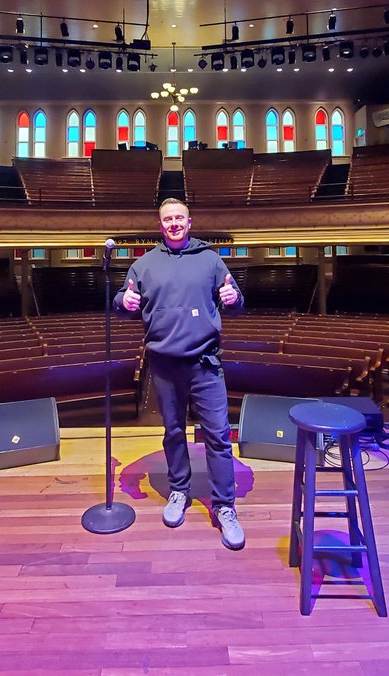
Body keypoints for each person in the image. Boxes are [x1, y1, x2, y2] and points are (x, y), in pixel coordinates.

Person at [114, 197, 246, 550]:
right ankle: (179, 491)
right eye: (167, 219)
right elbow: (124, 301)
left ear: (190, 223)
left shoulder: (211, 260)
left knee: (218, 436)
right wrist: (122, 303)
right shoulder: (145, 265)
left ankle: (224, 507)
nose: (173, 223)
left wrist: (233, 299)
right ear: (160, 226)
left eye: (179, 218)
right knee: (173, 432)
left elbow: (235, 300)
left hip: (205, 364)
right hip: (165, 366)